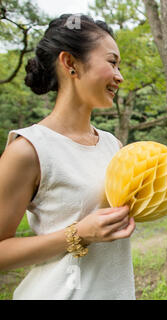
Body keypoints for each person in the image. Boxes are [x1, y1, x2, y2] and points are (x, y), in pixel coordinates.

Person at [0, 14, 136, 299]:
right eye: (112, 62)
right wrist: (79, 233)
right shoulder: (28, 149)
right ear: (70, 63)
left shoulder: (113, 145)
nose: (119, 76)